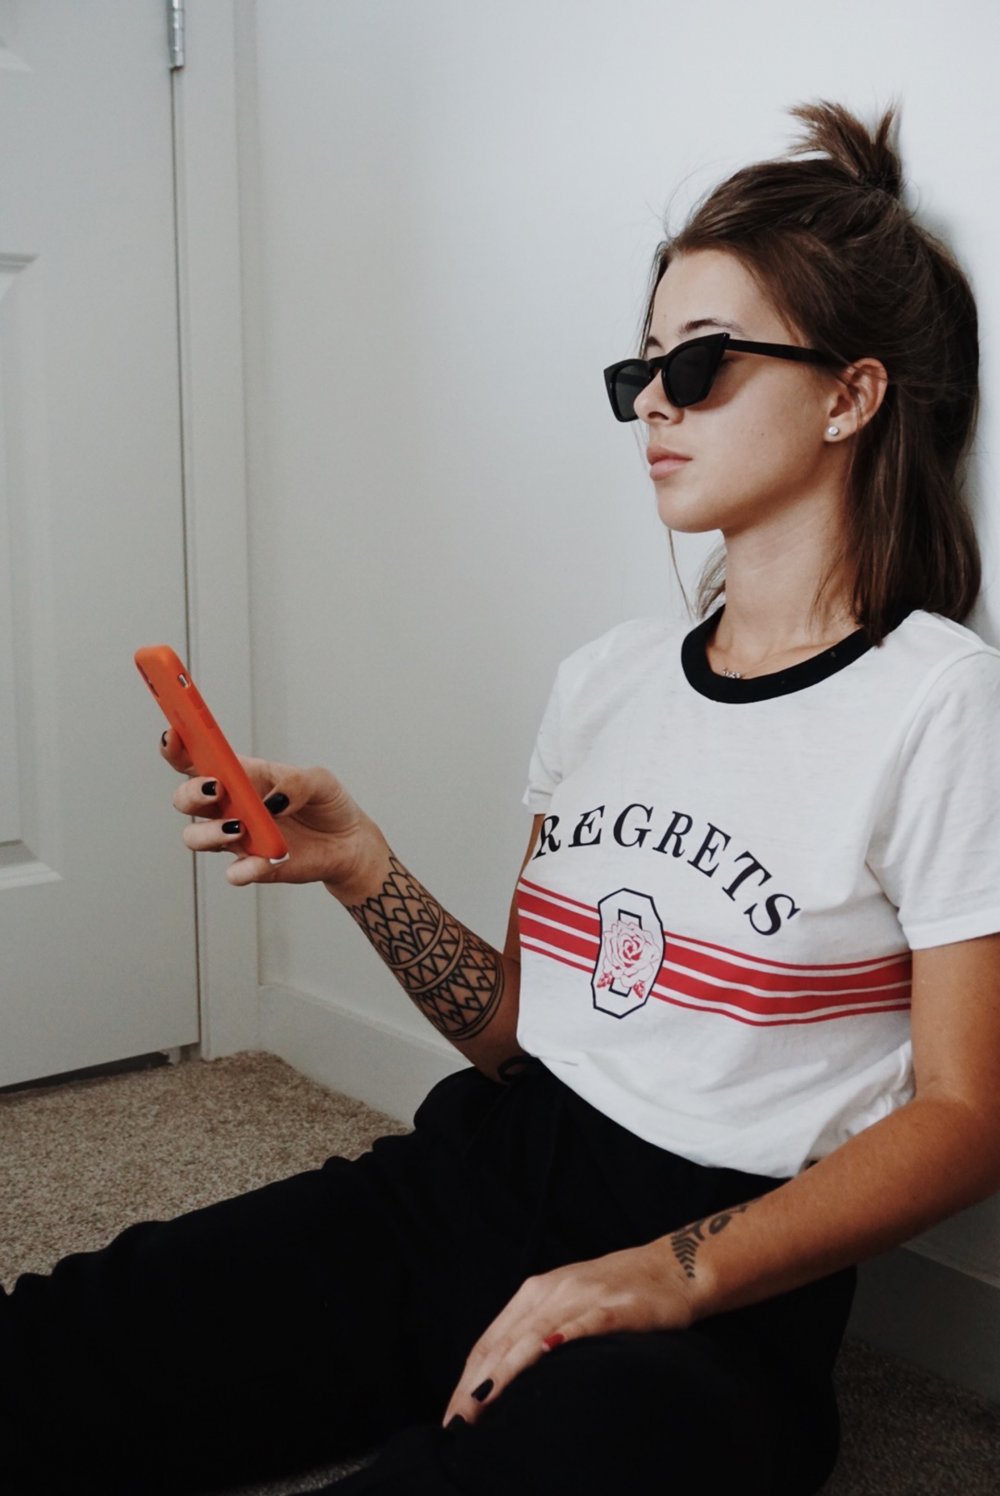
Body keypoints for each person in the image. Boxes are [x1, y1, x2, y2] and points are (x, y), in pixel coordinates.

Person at [4, 100, 1000, 1496]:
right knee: (62, 1346)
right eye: (640, 367)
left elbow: (966, 1117)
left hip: (715, 1306)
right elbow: (525, 1040)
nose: (652, 401)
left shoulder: (940, 701)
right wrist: (361, 867)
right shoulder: (607, 680)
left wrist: (665, 1273)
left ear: (851, 395)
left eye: (699, 362)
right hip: (473, 1186)